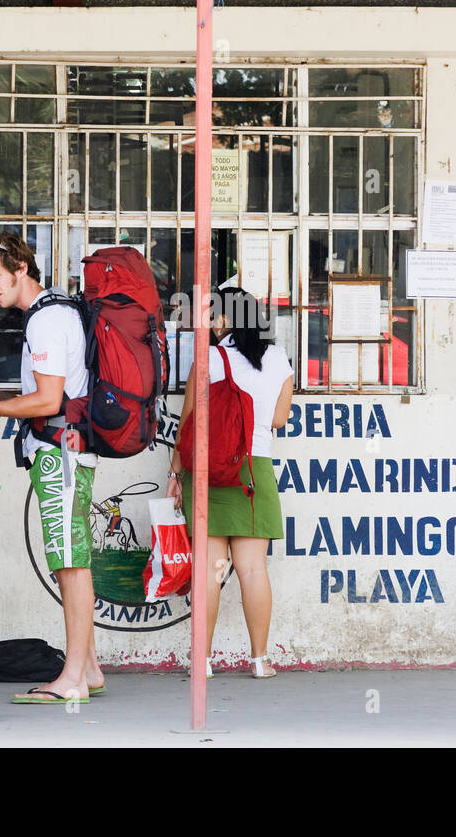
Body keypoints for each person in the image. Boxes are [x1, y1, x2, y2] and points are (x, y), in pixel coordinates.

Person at [0, 232, 105, 704]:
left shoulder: (45, 319)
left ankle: (73, 677)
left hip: (61, 451)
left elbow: (48, 399)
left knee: (70, 563)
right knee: (69, 559)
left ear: (22, 269)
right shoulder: (60, 309)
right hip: (67, 447)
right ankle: (91, 669)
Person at [169, 287, 294, 679]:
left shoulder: (207, 360)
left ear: (224, 320)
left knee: (209, 570)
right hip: (253, 470)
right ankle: (259, 661)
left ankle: (202, 662)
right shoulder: (278, 360)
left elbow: (187, 424)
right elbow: (277, 420)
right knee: (253, 569)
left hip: (209, 468)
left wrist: (174, 475)